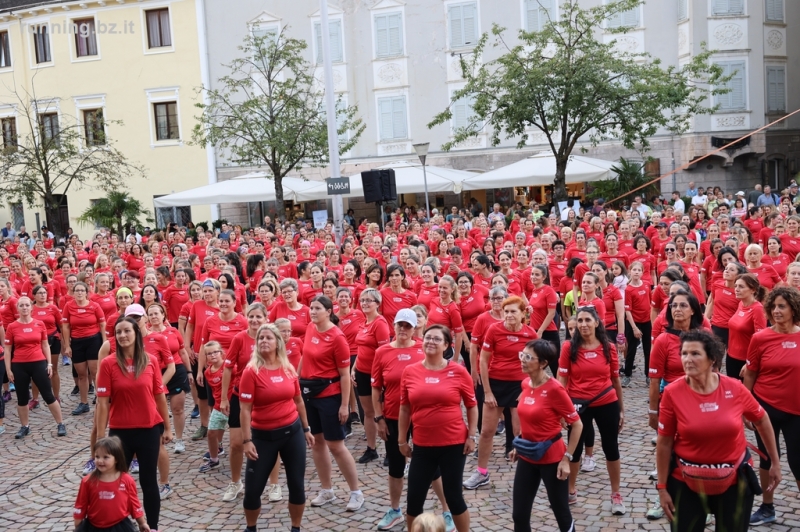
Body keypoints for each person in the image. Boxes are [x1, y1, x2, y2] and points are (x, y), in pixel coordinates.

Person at [656, 330, 781, 532]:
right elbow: (664, 442)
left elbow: (761, 419)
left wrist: (774, 462)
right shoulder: (672, 393)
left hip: (734, 479)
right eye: (684, 354)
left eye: (695, 354)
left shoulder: (735, 388)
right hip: (686, 480)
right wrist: (662, 488)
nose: (687, 359)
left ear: (712, 358)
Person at [372, 309, 456, 532]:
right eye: (399, 324)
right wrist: (378, 417)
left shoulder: (423, 348)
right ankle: (395, 510)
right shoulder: (381, 352)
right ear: (394, 325)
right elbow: (376, 387)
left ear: (414, 328)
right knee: (396, 465)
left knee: (433, 468)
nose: (402, 329)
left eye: (407, 326)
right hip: (391, 416)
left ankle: (447, 511)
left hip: (421, 418)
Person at [96, 316, 173, 532]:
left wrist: (167, 427)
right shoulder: (108, 363)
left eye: (126, 331)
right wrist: (102, 437)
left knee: (149, 483)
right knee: (114, 482)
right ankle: (117, 524)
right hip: (120, 433)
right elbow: (102, 404)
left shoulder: (150, 360)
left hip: (148, 430)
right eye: (118, 332)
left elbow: (159, 396)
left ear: (136, 334)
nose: (122, 335)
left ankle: (153, 527)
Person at [399, 324, 478, 532]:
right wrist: (401, 440)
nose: (430, 342)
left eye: (436, 339)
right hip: (422, 445)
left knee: (454, 497)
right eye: (427, 338)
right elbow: (405, 409)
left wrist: (471, 435)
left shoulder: (459, 372)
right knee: (414, 498)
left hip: (453, 444)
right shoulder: (409, 372)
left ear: (446, 345)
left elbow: (471, 405)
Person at [239, 323, 314, 532]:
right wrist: (246, 440)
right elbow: (245, 409)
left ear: (277, 343)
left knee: (297, 485)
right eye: (260, 338)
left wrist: (306, 429)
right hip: (263, 437)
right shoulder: (251, 371)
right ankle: (251, 528)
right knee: (253, 490)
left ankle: (295, 528)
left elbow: (299, 400)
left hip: (293, 433)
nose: (264, 341)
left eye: (268, 338)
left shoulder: (288, 367)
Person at [558, 305, 626, 514]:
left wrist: (621, 409)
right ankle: (570, 490)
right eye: (580, 321)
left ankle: (616, 493)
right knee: (575, 449)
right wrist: (561, 409)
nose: (583, 324)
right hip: (578, 404)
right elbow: (562, 379)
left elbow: (615, 379)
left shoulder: (609, 347)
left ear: (597, 322)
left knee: (610, 447)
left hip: (606, 402)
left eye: (588, 320)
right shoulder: (569, 347)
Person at [511, 340, 582, 532]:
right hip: (528, 456)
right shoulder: (525, 383)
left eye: (528, 357)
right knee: (519, 514)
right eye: (522, 355)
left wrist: (567, 458)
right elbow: (528, 418)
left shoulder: (555, 389)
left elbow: (577, 424)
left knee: (561, 512)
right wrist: (520, 445)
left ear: (543, 363)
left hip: (552, 459)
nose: (522, 360)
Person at [301, 295, 364, 511]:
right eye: (311, 307)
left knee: (336, 445)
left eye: (317, 308)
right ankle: (327, 490)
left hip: (330, 395)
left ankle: (356, 492)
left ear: (328, 311)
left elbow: (345, 375)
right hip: (309, 393)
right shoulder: (310, 327)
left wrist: (344, 405)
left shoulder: (337, 337)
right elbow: (304, 357)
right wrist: (296, 379)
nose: (312, 311)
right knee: (317, 443)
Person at [744, 287, 800, 525]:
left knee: (798, 461)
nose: (776, 311)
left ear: (793, 309)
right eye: (773, 307)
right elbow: (751, 374)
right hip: (764, 408)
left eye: (782, 307)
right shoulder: (760, 338)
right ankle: (767, 507)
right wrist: (746, 406)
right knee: (766, 459)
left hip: (796, 411)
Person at [219, 303, 268, 502]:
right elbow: (228, 368)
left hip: (265, 397)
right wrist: (224, 397)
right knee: (236, 443)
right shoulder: (239, 338)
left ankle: (273, 484)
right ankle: (236, 482)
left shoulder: (270, 337)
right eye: (251, 317)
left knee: (268, 442)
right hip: (240, 395)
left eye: (259, 317)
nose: (255, 320)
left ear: (266, 318)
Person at [5, 296, 66, 438]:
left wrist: (49, 363)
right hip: (19, 365)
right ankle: (24, 426)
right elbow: (8, 349)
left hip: (38, 362)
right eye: (21, 305)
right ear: (18, 308)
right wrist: (8, 369)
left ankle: (60, 423)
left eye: (27, 305)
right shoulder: (12, 327)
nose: (25, 308)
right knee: (22, 398)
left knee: (48, 395)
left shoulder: (39, 324)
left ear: (32, 307)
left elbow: (45, 345)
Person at [73, 436, 149, 532]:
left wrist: (142, 523)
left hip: (120, 526)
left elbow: (134, 503)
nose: (100, 461)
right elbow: (81, 504)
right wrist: (78, 525)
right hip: (93, 527)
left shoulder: (127, 480)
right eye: (97, 457)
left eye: (105, 457)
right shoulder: (88, 481)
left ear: (116, 459)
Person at [353, 287, 391, 464]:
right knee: (368, 413)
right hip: (361, 372)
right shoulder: (364, 322)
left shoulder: (380, 323)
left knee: (382, 413)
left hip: (376, 375)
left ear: (377, 303)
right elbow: (361, 350)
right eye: (362, 300)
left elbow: (384, 352)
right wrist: (354, 368)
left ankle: (390, 450)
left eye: (369, 300)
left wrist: (380, 377)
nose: (365, 303)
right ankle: (371, 449)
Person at [62, 281, 107, 416]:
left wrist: (104, 342)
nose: (80, 293)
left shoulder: (95, 305)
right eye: (77, 290)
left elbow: (102, 324)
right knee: (81, 374)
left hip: (93, 340)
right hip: (77, 342)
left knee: (95, 372)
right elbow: (66, 326)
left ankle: (100, 400)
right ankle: (84, 403)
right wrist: (68, 345)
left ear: (87, 293)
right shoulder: (68, 306)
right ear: (73, 293)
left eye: (82, 290)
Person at [726, 274, 766, 380]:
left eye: (741, 287)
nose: (737, 289)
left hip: (745, 361)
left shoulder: (758, 309)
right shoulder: (741, 304)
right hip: (731, 356)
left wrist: (749, 362)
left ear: (752, 290)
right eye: (736, 286)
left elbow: (760, 340)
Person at [199, 342, 227, 474]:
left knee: (240, 437)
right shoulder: (208, 373)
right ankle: (214, 459)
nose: (213, 355)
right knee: (211, 433)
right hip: (218, 407)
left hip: (234, 405)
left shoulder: (229, 366)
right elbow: (214, 391)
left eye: (215, 352)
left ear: (221, 352)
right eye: (209, 353)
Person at [622, 261, 651, 387]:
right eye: (634, 270)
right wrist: (634, 328)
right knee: (631, 350)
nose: (637, 272)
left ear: (642, 272)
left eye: (639, 270)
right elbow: (627, 310)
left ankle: (649, 375)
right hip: (633, 322)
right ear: (630, 271)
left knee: (648, 349)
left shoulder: (646, 285)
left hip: (647, 322)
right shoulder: (628, 289)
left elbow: (650, 304)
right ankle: (627, 375)